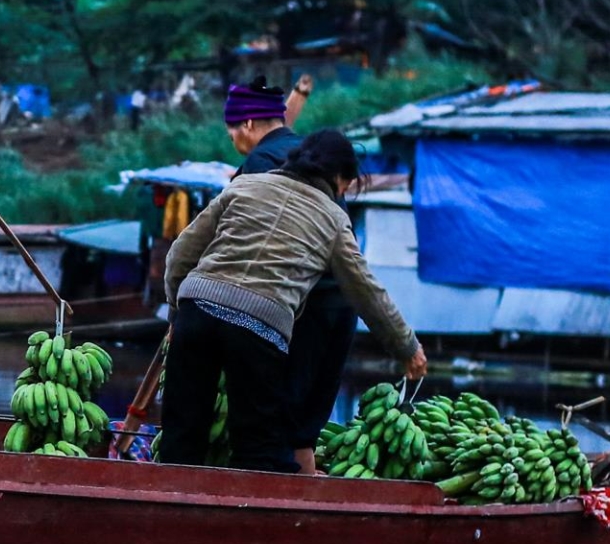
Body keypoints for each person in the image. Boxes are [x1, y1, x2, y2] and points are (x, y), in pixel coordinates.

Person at [161, 129, 425, 473]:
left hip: (197, 310)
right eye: (346, 185)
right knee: (258, 449)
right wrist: (407, 347)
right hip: (256, 327)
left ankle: (173, 516)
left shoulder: (244, 185)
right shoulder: (334, 219)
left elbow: (180, 255)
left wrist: (175, 313)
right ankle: (250, 521)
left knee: (181, 434)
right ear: (338, 177)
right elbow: (366, 292)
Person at [225, 74, 360, 474]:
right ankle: (304, 489)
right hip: (344, 297)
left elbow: (242, 241)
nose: (234, 140)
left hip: (301, 302)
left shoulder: (258, 164)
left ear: (247, 125)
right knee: (308, 415)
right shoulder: (312, 153)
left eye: (233, 131)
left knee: (276, 408)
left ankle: (271, 493)